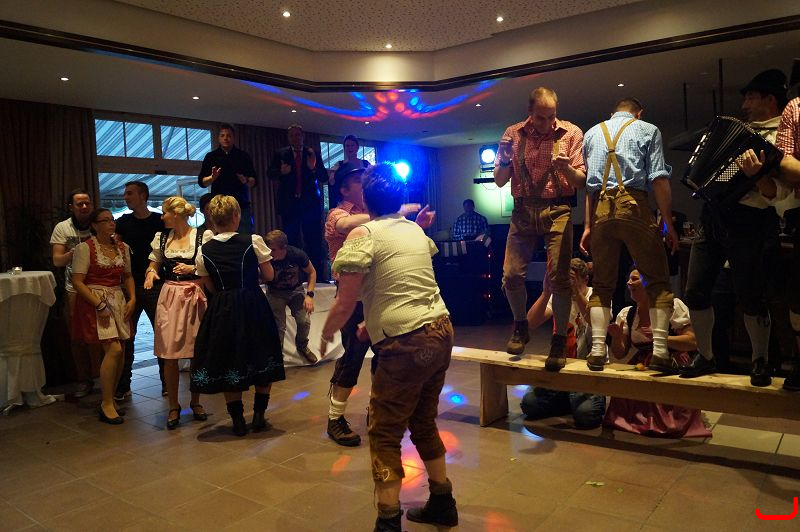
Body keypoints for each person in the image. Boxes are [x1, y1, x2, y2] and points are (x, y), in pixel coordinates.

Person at [320, 163, 457, 532]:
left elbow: (345, 302)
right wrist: (372, 322)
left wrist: (325, 332)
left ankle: (388, 521)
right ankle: (443, 502)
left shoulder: (363, 234)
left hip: (406, 344)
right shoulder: (413, 229)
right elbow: (401, 282)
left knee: (384, 431)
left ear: (366, 199)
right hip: (441, 331)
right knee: (423, 420)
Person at [681, 70, 787, 386]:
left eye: (751, 97)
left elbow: (777, 194)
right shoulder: (738, 129)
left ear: (770, 99)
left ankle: (760, 360)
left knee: (751, 295)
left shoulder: (783, 136)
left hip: (750, 220)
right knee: (695, 289)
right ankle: (706, 356)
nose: (744, 105)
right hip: (712, 215)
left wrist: (758, 176)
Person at [323, 165, 437, 447]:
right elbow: (348, 226)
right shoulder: (337, 214)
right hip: (354, 297)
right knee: (352, 357)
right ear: (344, 189)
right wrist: (396, 211)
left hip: (380, 295)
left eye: (364, 180)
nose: (363, 184)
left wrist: (411, 222)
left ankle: (376, 409)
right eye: (357, 180)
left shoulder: (379, 214)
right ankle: (335, 418)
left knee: (384, 356)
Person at [580, 97, 678, 374]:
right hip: (634, 206)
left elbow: (589, 188)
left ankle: (597, 351)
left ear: (613, 113)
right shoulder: (647, 129)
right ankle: (660, 352)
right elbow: (659, 178)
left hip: (601, 212)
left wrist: (587, 226)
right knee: (658, 281)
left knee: (602, 285)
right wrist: (668, 223)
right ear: (639, 113)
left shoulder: (592, 133)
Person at [494, 87, 586, 363]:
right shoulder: (513, 134)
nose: (547, 123)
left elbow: (581, 182)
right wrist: (505, 158)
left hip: (558, 209)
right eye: (540, 117)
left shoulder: (571, 132)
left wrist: (566, 168)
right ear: (530, 113)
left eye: (551, 116)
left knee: (559, 278)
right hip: (523, 209)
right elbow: (499, 180)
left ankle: (559, 342)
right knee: (511, 275)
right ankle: (520, 327)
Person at [191, 196, 284, 436]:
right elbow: (270, 276)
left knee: (229, 359)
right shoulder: (253, 241)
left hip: (222, 308)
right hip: (252, 303)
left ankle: (238, 421)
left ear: (212, 219)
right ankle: (259, 415)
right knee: (261, 354)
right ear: (236, 216)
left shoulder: (204, 250)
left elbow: (210, 286)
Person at [604, 270, 710, 438]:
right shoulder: (628, 313)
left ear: (648, 283)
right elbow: (619, 353)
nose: (629, 283)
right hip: (641, 365)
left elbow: (692, 342)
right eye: (628, 279)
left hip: (671, 361)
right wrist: (616, 338)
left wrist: (662, 338)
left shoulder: (672, 306)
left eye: (634, 279)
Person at [143, 197, 208, 430]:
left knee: (196, 352)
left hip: (194, 294)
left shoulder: (202, 236)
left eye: (164, 213)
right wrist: (151, 272)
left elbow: (211, 264)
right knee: (169, 353)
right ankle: (173, 405)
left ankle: (196, 401)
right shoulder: (162, 238)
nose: (162, 217)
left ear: (177, 214)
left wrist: (193, 268)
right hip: (170, 295)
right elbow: (153, 263)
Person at [521, 258, 605, 429]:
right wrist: (546, 293)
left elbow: (597, 324)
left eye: (573, 279)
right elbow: (530, 323)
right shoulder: (558, 296)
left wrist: (577, 294)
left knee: (586, 416)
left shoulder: (597, 296)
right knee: (529, 404)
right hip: (559, 372)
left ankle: (573, 401)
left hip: (586, 375)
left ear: (586, 279)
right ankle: (569, 400)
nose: (568, 284)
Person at [70, 209, 135, 424]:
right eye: (105, 220)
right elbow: (78, 281)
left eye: (112, 220)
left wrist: (133, 298)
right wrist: (99, 305)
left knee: (121, 351)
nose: (111, 223)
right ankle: (106, 402)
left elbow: (127, 276)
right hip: (96, 300)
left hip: (117, 298)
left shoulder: (122, 247)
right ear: (94, 225)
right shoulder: (85, 248)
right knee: (113, 349)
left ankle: (110, 398)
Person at [113, 181, 166, 401]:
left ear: (143, 195)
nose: (125, 197)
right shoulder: (123, 222)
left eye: (130, 193)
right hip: (130, 285)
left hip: (157, 284)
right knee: (127, 336)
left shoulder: (159, 221)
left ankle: (167, 383)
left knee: (162, 335)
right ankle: (123, 384)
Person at [50, 189, 95, 398]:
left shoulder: (98, 223)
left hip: (100, 286)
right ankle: (84, 380)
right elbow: (57, 260)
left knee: (102, 336)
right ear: (71, 207)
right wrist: (74, 253)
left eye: (87, 203)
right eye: (79, 204)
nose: (84, 207)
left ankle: (106, 378)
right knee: (78, 337)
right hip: (74, 289)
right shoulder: (63, 227)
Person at [268, 124, 328, 279]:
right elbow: (270, 173)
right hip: (289, 205)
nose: (295, 138)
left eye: (298, 135)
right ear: (288, 138)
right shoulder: (281, 153)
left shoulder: (312, 153)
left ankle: (318, 277)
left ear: (303, 136)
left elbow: (324, 176)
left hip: (310, 205)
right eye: (292, 135)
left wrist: (313, 168)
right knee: (291, 242)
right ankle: (293, 277)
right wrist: (281, 172)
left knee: (313, 241)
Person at [263, 229, 317, 365]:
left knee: (304, 321)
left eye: (273, 250)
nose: (270, 253)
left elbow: (312, 272)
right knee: (278, 326)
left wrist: (309, 295)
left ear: (284, 248)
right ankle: (277, 356)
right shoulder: (266, 257)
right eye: (268, 249)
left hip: (295, 291)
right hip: (275, 292)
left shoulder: (296, 254)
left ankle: (302, 346)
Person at [198, 123, 257, 234]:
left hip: (241, 205)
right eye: (223, 135)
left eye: (229, 135)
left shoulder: (243, 156)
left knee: (244, 237)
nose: (226, 138)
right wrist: (212, 177)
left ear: (234, 138)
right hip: (219, 205)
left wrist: (246, 180)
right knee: (220, 237)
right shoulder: (211, 157)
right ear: (218, 138)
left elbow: (254, 181)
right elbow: (202, 182)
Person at [328, 134, 370, 205]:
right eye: (347, 146)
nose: (350, 148)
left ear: (357, 147)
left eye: (352, 145)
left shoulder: (366, 164)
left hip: (364, 199)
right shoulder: (339, 164)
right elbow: (332, 182)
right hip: (345, 201)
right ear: (344, 148)